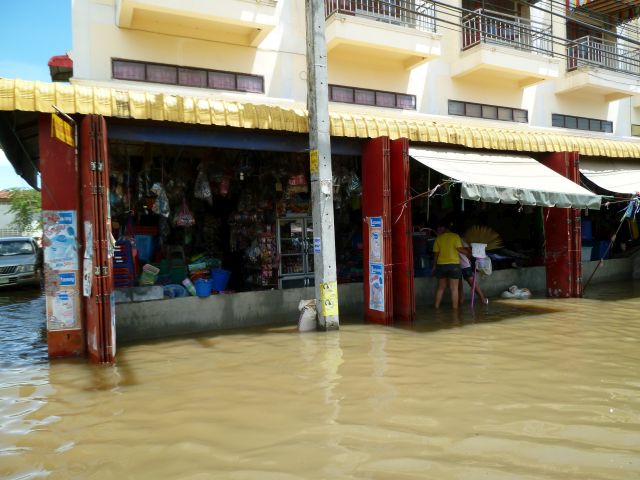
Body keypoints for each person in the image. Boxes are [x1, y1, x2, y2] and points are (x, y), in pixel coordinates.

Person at [431, 221, 465, 309]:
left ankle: (436, 307)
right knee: (454, 289)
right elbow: (460, 249)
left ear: (444, 228)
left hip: (441, 265)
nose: (438, 230)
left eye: (439, 227)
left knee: (441, 288)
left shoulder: (438, 238)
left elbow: (436, 255)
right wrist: (470, 253)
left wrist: (434, 266)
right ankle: (455, 310)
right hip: (454, 266)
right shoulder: (455, 236)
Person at [458, 239, 488, 306]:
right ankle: (461, 303)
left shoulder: (460, 240)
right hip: (456, 265)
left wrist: (460, 250)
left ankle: (482, 299)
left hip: (464, 265)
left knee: (472, 283)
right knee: (460, 286)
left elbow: (470, 252)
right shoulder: (457, 240)